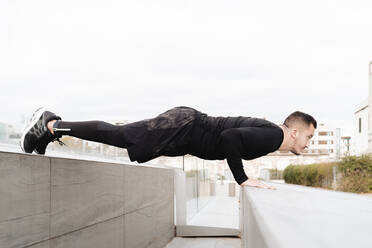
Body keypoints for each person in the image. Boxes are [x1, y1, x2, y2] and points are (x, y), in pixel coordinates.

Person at [20, 106, 316, 190]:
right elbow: (230, 140)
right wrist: (242, 178)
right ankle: (51, 125)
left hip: (186, 127)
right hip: (185, 127)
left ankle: (47, 132)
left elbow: (232, 137)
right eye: (308, 136)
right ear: (294, 131)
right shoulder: (274, 137)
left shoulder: (271, 135)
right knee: (122, 136)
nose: (308, 143)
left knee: (123, 137)